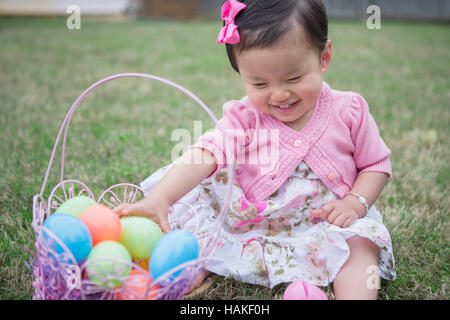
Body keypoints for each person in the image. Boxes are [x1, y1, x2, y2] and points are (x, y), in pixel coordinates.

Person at [114, 0, 396, 300]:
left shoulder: (349, 110)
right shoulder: (244, 117)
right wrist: (162, 197)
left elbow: (375, 165)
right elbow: (207, 152)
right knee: (205, 234)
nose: (279, 94)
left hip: (327, 222)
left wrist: (355, 202)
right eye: (259, 83)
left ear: (323, 57)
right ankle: (196, 267)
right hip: (253, 220)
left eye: (294, 78)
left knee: (360, 245)